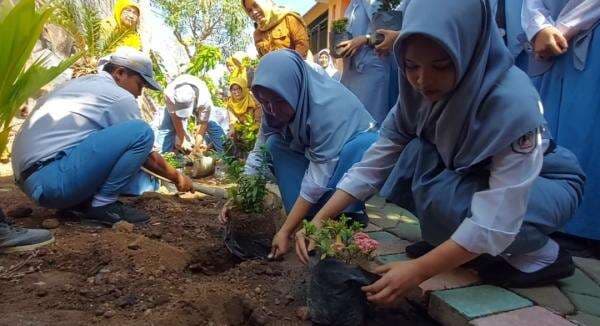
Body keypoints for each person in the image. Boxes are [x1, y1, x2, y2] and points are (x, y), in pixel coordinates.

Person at [296, 0, 586, 302]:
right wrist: (320, 219)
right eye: (411, 66)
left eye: (441, 65)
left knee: (458, 203)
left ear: (470, 49)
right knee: (411, 161)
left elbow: (498, 216)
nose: (423, 80)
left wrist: (419, 270)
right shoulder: (415, 96)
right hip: (474, 175)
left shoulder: (511, 102)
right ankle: (453, 242)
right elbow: (373, 166)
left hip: (546, 182)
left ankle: (541, 255)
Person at [220, 50, 378, 259]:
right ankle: (306, 219)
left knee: (364, 146)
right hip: (317, 154)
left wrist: (284, 230)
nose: (272, 110)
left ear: (294, 89)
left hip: (347, 147)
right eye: (265, 102)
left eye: (279, 101)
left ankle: (344, 214)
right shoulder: (271, 110)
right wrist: (239, 197)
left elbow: (317, 177)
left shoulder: (326, 109)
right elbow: (259, 152)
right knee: (275, 144)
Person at [11, 49, 194, 227]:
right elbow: (147, 155)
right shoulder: (119, 97)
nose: (139, 93)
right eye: (140, 85)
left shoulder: (82, 84)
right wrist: (177, 177)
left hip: (33, 181)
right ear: (120, 73)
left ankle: (80, 204)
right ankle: (103, 204)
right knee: (142, 131)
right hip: (53, 181)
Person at [522, 1, 600, 241]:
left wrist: (562, 28)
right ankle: (544, 215)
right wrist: (538, 28)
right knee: (544, 132)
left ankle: (585, 228)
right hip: (548, 45)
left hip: (585, 37)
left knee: (588, 136)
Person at [336, 0, 399, 125]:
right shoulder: (352, 6)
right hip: (352, 74)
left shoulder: (374, 2)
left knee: (371, 125)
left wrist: (364, 40)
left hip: (371, 72)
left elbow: (388, 33)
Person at [153, 74, 226, 154]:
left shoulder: (204, 100)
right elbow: (175, 119)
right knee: (167, 127)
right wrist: (182, 140)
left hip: (200, 97)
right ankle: (164, 157)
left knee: (212, 124)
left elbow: (203, 124)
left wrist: (196, 146)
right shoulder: (169, 95)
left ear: (194, 99)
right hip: (173, 103)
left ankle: (225, 155)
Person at [242, 0, 310, 59]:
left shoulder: (288, 18)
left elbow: (302, 47)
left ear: (266, 2)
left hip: (299, 70)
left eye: (255, 5)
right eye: (249, 10)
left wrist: (290, 69)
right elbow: (264, 60)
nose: (254, 12)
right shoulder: (257, 34)